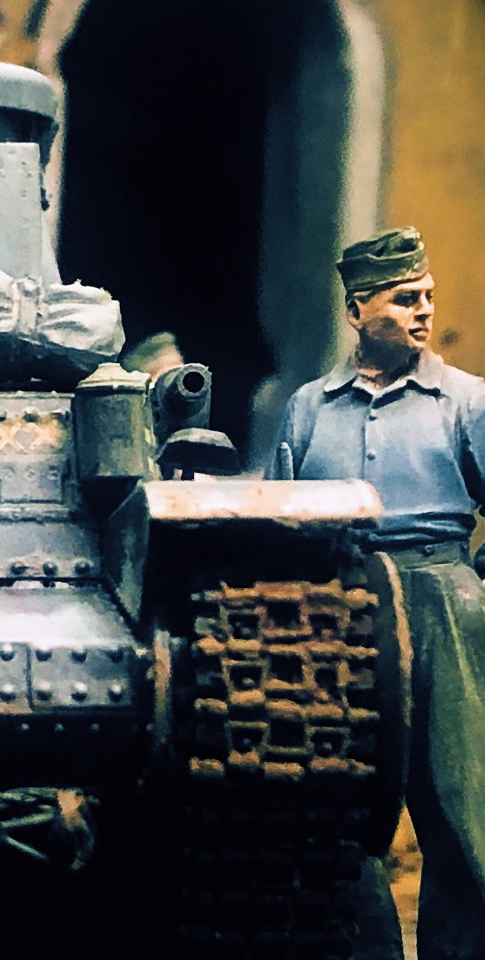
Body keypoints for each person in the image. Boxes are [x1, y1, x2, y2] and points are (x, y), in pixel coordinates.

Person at [265, 226, 485, 959]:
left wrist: (473, 588)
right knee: (337, 800)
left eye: (428, 296)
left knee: (463, 802)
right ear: (358, 310)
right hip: (338, 611)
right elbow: (279, 517)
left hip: (443, 600)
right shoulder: (308, 407)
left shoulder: (464, 401)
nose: (423, 311)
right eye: (403, 299)